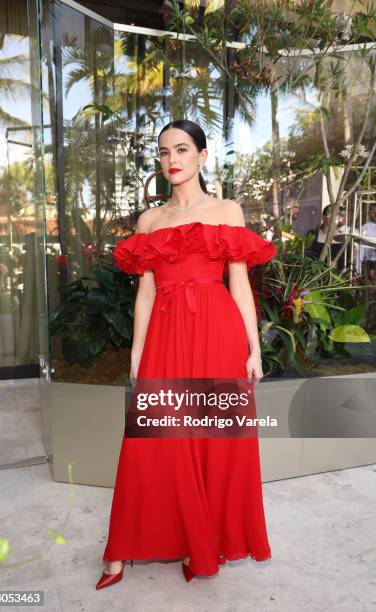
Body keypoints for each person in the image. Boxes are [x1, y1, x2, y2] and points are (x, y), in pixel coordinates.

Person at [96, 119, 278, 589]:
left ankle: (203, 546)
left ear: (201, 155)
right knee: (151, 444)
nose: (171, 160)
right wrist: (137, 352)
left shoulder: (227, 210)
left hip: (218, 334)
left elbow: (239, 284)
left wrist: (253, 349)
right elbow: (145, 295)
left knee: (215, 446)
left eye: (181, 149)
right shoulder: (149, 221)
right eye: (163, 152)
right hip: (166, 336)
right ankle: (119, 552)